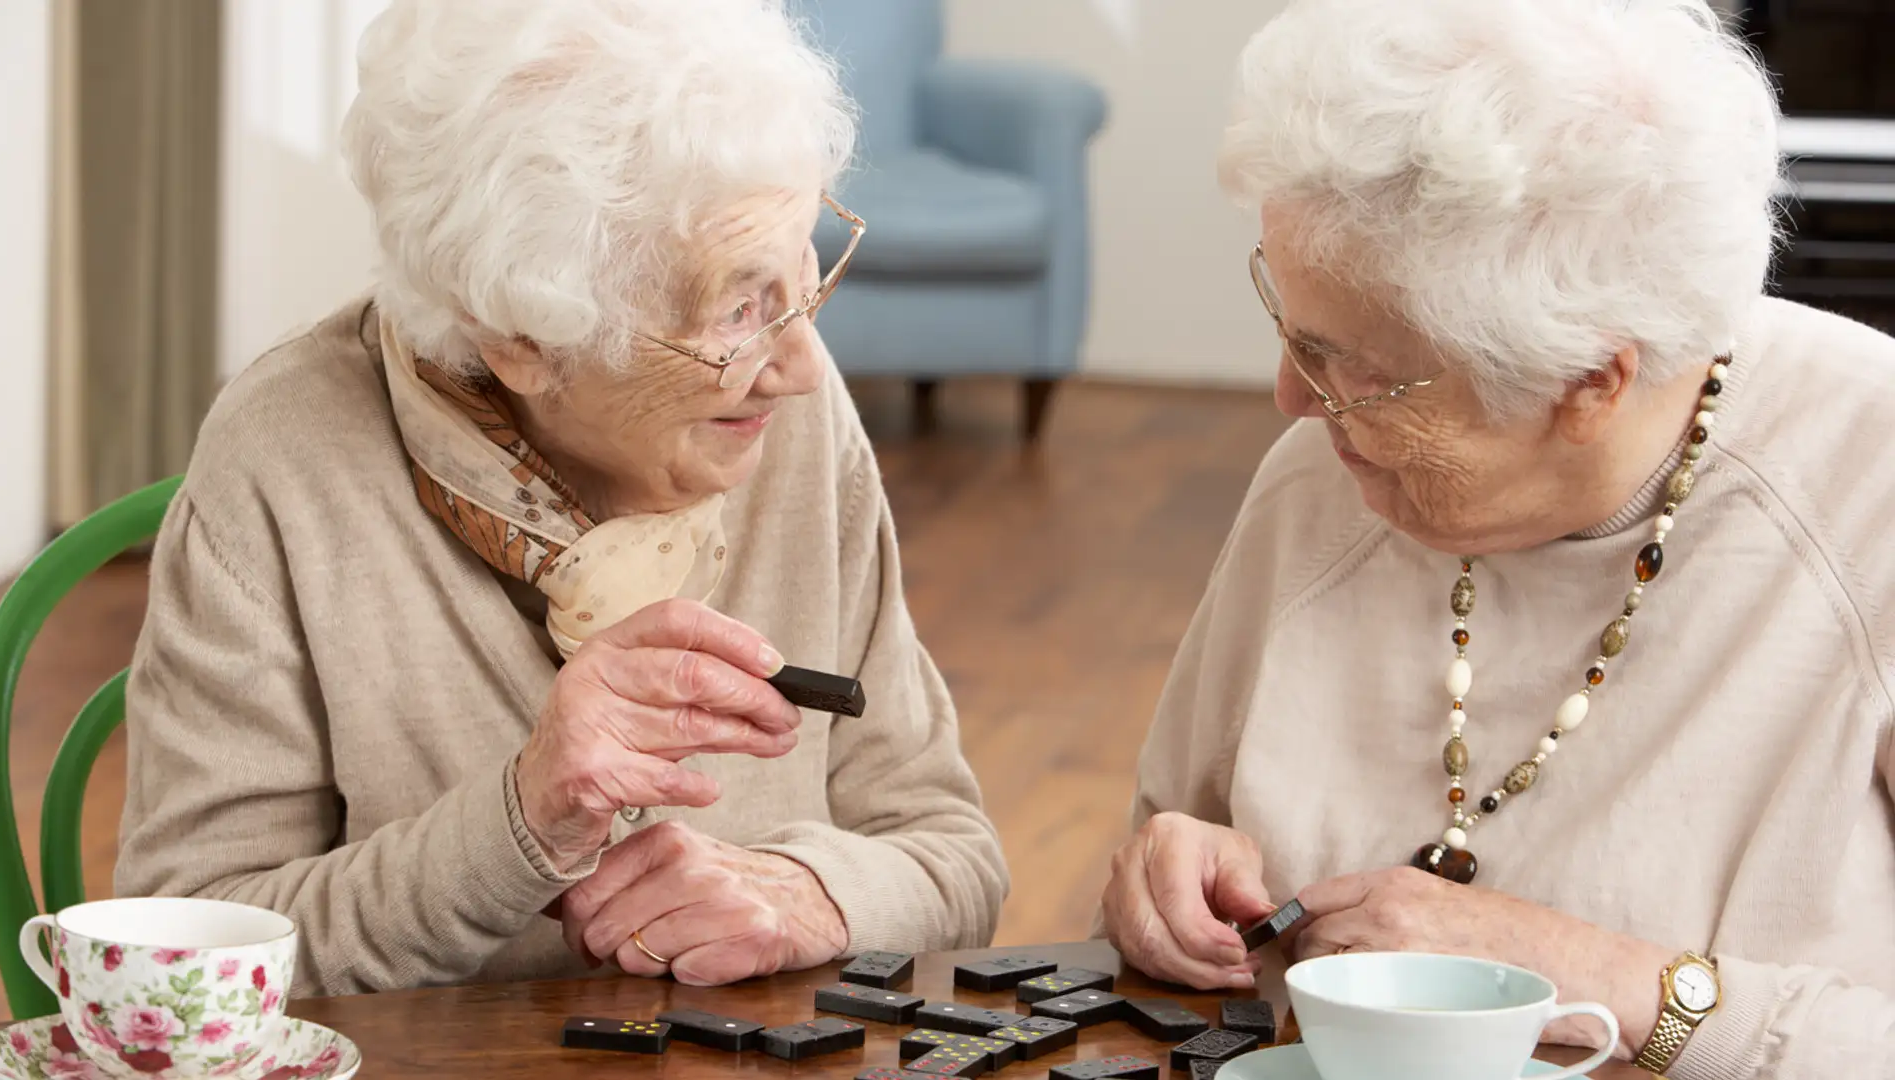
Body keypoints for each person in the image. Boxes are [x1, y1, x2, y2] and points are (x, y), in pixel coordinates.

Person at [114, 0, 1008, 997]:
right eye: (739, 306)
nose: (799, 364)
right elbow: (178, 968)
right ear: (523, 338)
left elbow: (950, 852)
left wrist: (811, 890)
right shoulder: (286, 462)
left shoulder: (786, 416)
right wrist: (518, 824)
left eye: (805, 273)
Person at [1099, 2, 1895, 1078]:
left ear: (1591, 381)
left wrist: (1606, 978)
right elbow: (1177, 853)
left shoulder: (1867, 485)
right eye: (1289, 330)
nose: (1291, 397)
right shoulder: (1325, 476)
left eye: (1353, 368)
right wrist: (1167, 890)